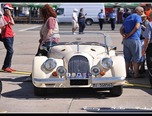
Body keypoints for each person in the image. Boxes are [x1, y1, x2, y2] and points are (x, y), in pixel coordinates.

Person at [120, 6, 144, 78]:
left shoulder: (128, 17)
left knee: (127, 58)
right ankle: (136, 74)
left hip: (126, 41)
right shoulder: (138, 17)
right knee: (136, 58)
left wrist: (124, 35)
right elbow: (137, 27)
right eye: (142, 11)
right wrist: (130, 34)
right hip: (134, 39)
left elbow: (121, 29)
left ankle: (127, 74)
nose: (143, 13)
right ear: (137, 11)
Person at [0, 4, 16, 72]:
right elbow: (2, 26)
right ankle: (5, 66)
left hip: (10, 35)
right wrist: (6, 20)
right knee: (10, 51)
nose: (10, 11)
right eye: (9, 10)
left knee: (10, 51)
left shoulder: (8, 16)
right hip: (6, 36)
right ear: (6, 10)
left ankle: (8, 66)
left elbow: (13, 23)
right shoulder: (2, 17)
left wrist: (10, 15)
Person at [142, 11, 152, 86]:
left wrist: (144, 49)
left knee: (151, 65)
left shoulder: (150, 24)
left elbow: (147, 38)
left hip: (151, 47)